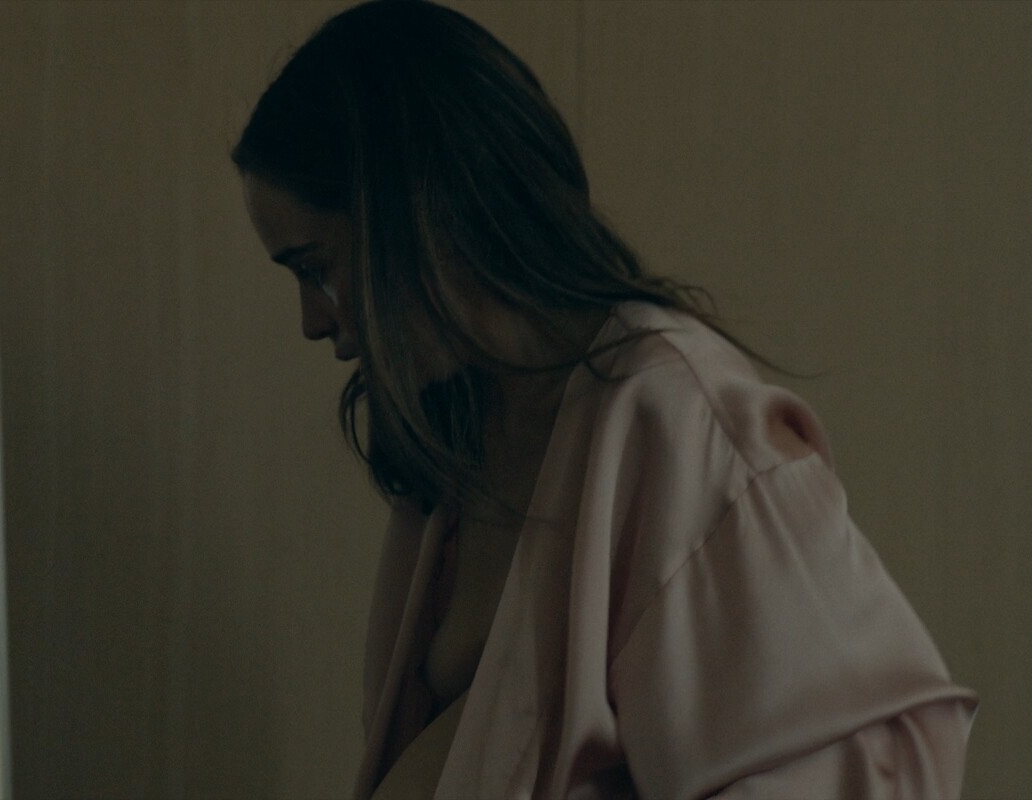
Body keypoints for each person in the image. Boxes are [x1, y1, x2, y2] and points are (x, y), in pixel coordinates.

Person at [232, 2, 976, 797]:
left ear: (415, 209)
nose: (312, 320)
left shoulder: (684, 425)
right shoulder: (457, 444)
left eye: (315, 268)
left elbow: (857, 773)